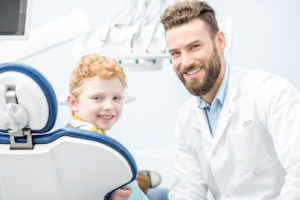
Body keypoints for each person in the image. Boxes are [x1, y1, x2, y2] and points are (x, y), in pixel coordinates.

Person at [160, 1, 300, 199]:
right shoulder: (185, 118)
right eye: (176, 53)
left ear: (220, 42)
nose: (186, 62)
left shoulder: (271, 92)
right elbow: (187, 189)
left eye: (194, 47)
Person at [66, 53, 150, 200]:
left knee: (141, 180)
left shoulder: (80, 131)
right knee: (145, 183)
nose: (109, 106)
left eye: (116, 98)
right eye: (97, 98)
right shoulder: (89, 141)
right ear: (74, 103)